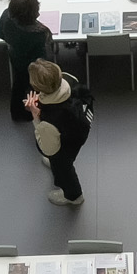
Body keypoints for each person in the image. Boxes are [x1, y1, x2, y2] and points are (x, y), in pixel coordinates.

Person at [24, 59, 91, 207]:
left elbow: (49, 149)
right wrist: (43, 98)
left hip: (66, 144)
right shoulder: (69, 80)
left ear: (36, 87)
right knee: (61, 158)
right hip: (79, 126)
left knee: (63, 169)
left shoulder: (49, 120)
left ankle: (74, 196)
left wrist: (35, 115)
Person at [0, 0, 55, 122]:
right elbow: (48, 49)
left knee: (19, 84)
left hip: (16, 58)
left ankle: (17, 113)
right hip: (35, 65)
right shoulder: (40, 32)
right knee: (37, 87)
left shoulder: (6, 16)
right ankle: (37, 112)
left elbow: (0, 33)